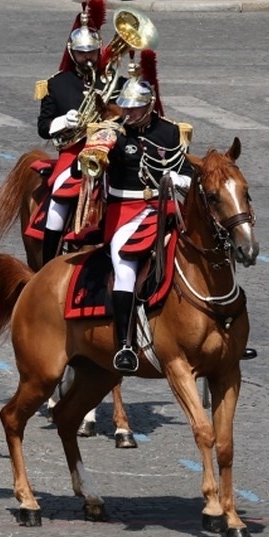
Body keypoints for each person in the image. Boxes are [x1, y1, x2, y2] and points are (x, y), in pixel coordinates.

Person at [78, 50, 189, 372]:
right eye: (126, 107)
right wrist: (95, 153)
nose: (130, 112)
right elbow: (81, 167)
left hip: (163, 204)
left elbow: (185, 168)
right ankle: (125, 342)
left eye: (137, 107)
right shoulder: (112, 130)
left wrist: (177, 178)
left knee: (209, 244)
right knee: (125, 264)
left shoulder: (168, 131)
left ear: (149, 105)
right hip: (125, 211)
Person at [37, 0, 111, 266]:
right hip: (74, 152)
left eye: (92, 53)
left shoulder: (112, 82)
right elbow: (43, 127)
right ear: (72, 52)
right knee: (59, 198)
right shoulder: (57, 84)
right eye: (82, 54)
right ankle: (47, 262)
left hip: (108, 150)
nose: (88, 58)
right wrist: (64, 121)